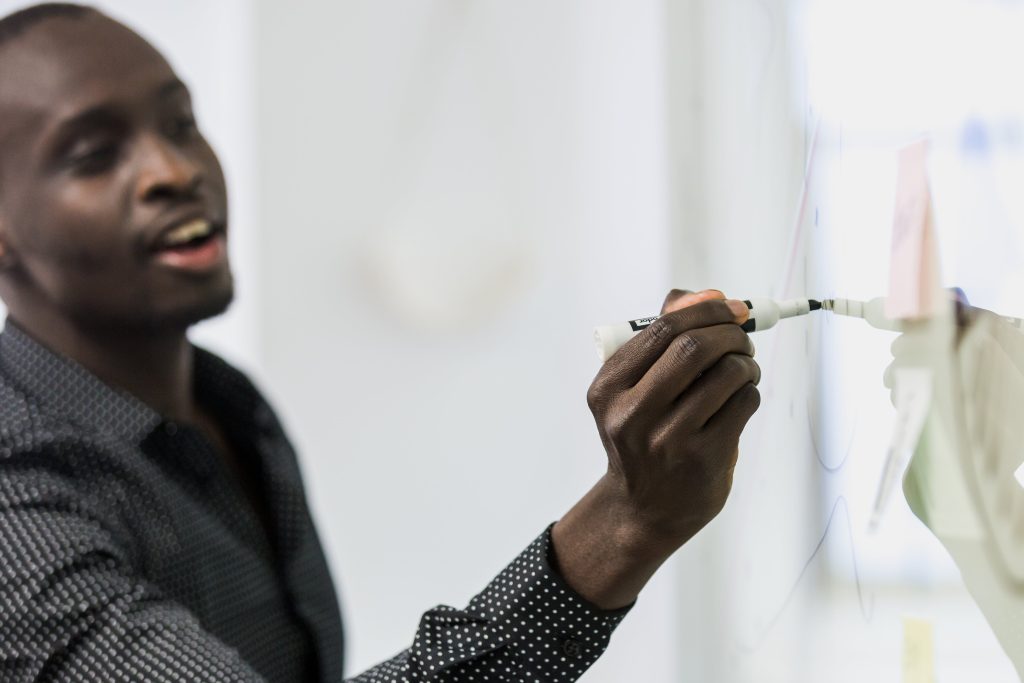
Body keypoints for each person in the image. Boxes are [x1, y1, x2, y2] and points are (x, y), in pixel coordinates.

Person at [0, 4, 761, 681]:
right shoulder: (13, 503)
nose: (174, 171)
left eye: (180, 123)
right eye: (94, 154)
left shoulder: (230, 402)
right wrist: (626, 524)